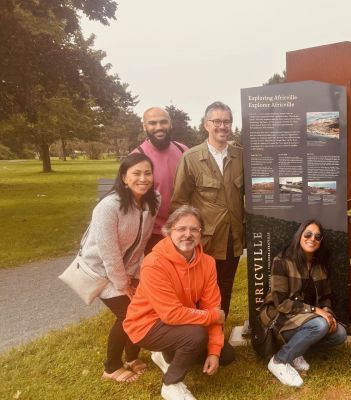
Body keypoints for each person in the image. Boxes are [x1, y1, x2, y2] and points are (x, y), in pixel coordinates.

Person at [123, 205, 235, 400]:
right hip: (146, 325)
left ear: (201, 233)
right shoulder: (154, 263)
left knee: (226, 355)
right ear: (169, 231)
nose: (188, 234)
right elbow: (172, 314)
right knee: (196, 336)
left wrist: (215, 352)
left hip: (180, 321)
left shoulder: (207, 262)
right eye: (181, 229)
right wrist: (213, 316)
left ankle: (165, 354)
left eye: (194, 229)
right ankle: (171, 384)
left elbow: (212, 305)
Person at [80, 153, 160, 382]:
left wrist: (137, 275)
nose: (143, 178)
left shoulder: (152, 200)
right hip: (101, 271)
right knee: (128, 315)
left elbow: (142, 242)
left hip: (131, 269)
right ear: (124, 178)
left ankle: (132, 357)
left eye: (147, 173)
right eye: (136, 174)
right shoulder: (108, 207)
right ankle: (111, 367)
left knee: (142, 308)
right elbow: (108, 252)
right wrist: (123, 283)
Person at [171, 101, 244, 316]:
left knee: (225, 289)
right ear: (206, 125)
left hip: (232, 238)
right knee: (199, 292)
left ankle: (218, 338)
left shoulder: (241, 156)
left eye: (227, 121)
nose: (222, 126)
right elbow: (179, 203)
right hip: (204, 241)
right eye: (217, 121)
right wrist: (184, 239)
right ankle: (197, 339)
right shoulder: (190, 158)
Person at [259, 219, 347, 387]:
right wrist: (316, 311)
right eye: (307, 234)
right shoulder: (283, 261)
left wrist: (328, 312)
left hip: (307, 319)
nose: (312, 238)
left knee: (340, 334)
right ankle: (279, 360)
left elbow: (326, 296)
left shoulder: (319, 266)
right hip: (280, 316)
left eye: (317, 236)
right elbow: (281, 303)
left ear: (321, 242)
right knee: (319, 325)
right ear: (299, 236)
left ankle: (296, 350)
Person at [132, 107, 188, 254]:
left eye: (163, 122)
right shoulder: (137, 156)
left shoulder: (183, 151)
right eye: (152, 123)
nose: (159, 127)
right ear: (144, 126)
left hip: (184, 230)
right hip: (153, 233)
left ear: (170, 124)